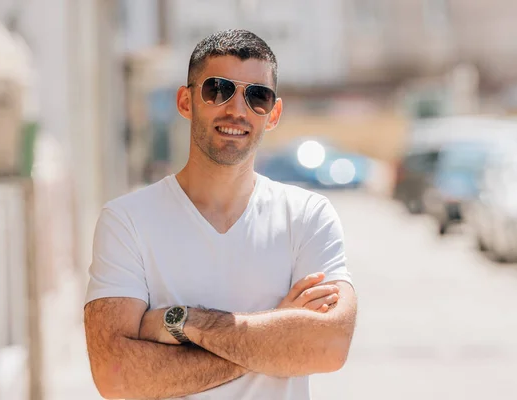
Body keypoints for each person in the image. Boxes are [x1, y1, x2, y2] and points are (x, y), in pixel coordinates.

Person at [83, 29, 357, 400]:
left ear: (273, 113)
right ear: (185, 101)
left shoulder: (308, 216)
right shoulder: (127, 221)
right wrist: (278, 333)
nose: (236, 110)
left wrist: (182, 321)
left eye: (257, 96)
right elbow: (115, 377)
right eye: (217, 89)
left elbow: (329, 345)